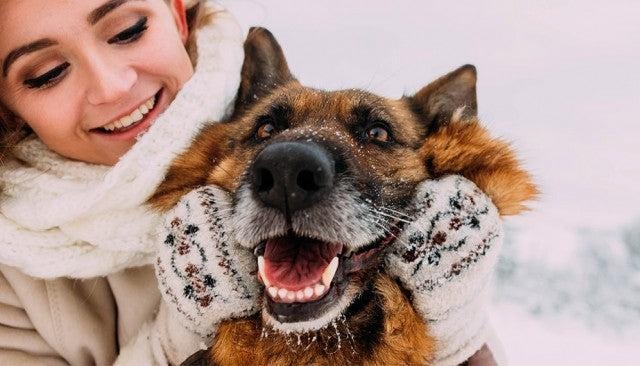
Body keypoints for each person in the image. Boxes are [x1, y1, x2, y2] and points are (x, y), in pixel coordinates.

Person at [0, 0, 504, 365]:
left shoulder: (429, 223)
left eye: (128, 29)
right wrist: (185, 341)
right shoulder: (10, 278)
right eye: (46, 73)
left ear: (178, 12)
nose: (113, 87)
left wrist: (455, 332)